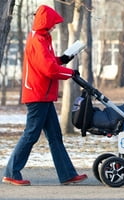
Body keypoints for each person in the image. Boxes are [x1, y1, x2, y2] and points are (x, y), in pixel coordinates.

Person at [2, 5, 87, 186]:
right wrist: (70, 73)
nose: (54, 27)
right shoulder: (38, 40)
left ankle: (67, 174)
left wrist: (62, 59)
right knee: (31, 134)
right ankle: (11, 172)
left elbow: (48, 62)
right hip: (37, 94)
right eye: (53, 23)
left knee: (55, 136)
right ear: (45, 23)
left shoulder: (42, 38)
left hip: (44, 95)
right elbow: (48, 69)